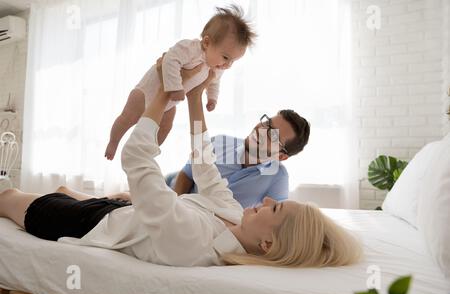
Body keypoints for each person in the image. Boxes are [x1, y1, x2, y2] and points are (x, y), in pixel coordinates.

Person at [0, 61, 362, 268]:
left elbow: (136, 158)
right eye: (265, 123)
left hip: (90, 223)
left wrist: (161, 95)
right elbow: (203, 166)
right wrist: (193, 96)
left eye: (275, 207)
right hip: (121, 211)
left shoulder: (194, 238)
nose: (264, 202)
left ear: (268, 244)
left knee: (9, 196)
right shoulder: (235, 217)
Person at [104, 4, 257, 160]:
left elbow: (214, 83)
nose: (227, 65)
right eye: (226, 57)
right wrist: (175, 87)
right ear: (206, 43)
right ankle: (113, 142)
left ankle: (149, 153)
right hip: (146, 93)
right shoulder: (191, 48)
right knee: (127, 119)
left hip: (169, 104)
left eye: (233, 61)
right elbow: (169, 60)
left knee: (165, 127)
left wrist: (212, 99)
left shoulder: (216, 67)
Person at [171, 110, 310, 208]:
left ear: (280, 156)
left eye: (273, 136)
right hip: (174, 199)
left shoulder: (277, 178)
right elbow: (186, 175)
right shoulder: (219, 142)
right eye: (267, 123)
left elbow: (274, 224)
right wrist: (175, 208)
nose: (261, 130)